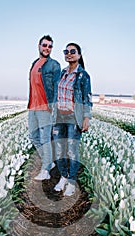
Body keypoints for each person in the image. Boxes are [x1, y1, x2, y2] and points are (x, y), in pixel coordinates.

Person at [52, 42, 92, 196]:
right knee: (59, 149)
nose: (69, 54)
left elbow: (87, 98)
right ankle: (63, 176)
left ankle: (72, 181)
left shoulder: (83, 75)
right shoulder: (62, 73)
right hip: (59, 116)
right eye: (66, 51)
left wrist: (86, 118)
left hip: (73, 117)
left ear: (79, 55)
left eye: (72, 51)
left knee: (72, 150)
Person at [28, 35, 61, 180]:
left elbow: (57, 88)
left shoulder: (54, 65)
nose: (47, 48)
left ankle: (45, 170)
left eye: (50, 46)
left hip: (45, 107)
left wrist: (53, 108)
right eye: (45, 45)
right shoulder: (35, 63)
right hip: (32, 107)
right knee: (33, 137)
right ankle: (49, 162)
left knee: (45, 139)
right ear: (39, 46)